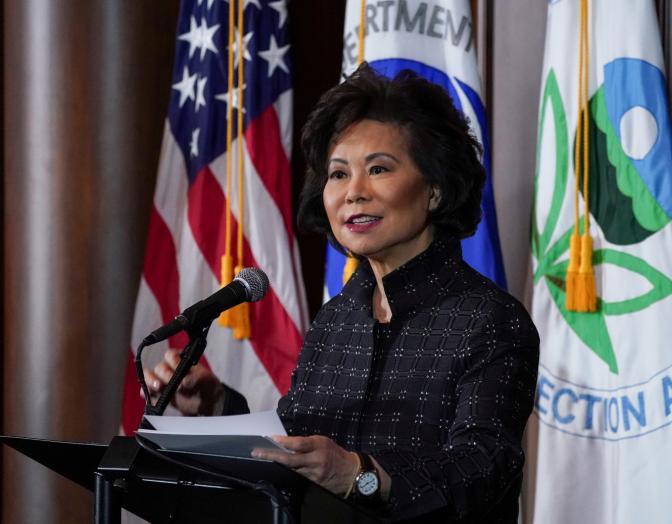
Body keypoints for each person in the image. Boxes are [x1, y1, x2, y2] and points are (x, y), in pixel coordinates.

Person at [143, 63, 539, 523]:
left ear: (434, 189)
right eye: (337, 174)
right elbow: (302, 443)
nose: (353, 193)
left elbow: (482, 469)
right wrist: (219, 407)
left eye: (378, 169)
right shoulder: (337, 319)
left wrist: (360, 475)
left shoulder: (489, 318)